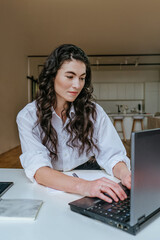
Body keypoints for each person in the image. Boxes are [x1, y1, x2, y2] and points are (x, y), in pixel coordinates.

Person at [17, 44, 131, 203]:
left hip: (89, 172)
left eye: (82, 78)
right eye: (70, 76)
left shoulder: (94, 112)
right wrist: (85, 187)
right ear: (52, 76)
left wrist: (126, 175)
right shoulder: (28, 117)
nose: (77, 85)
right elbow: (39, 170)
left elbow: (113, 155)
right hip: (51, 179)